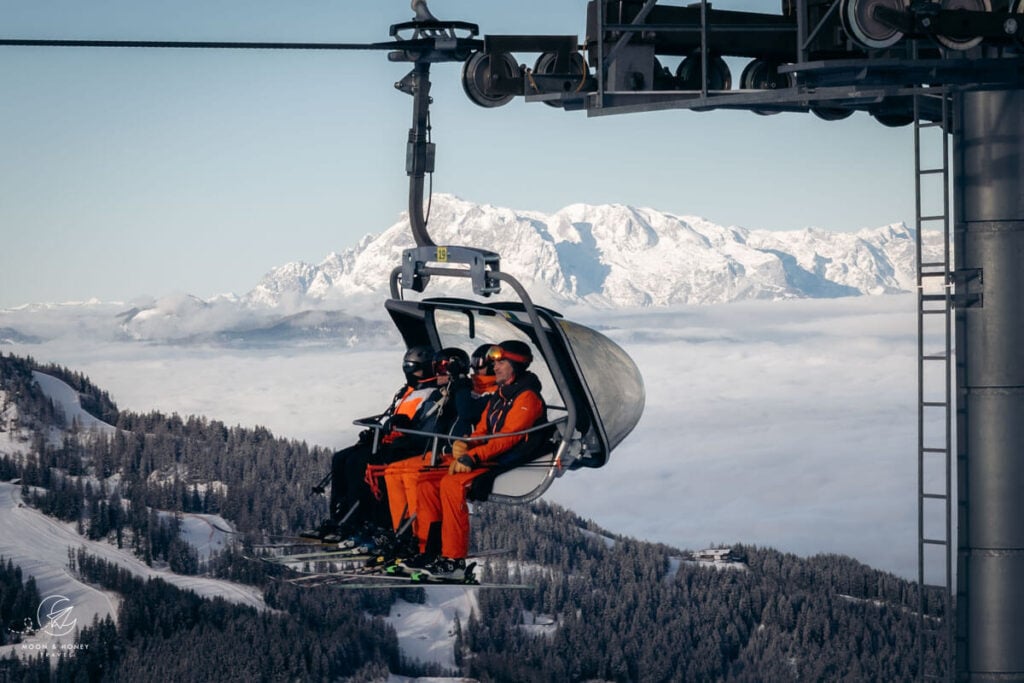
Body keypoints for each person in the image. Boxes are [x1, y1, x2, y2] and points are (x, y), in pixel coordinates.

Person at [405, 340, 547, 580]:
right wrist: (467, 443)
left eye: (501, 362)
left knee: (451, 485)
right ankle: (428, 551)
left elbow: (507, 438)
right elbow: (483, 429)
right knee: (427, 483)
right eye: (495, 362)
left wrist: (474, 456)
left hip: (507, 459)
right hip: (488, 455)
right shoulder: (502, 394)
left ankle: (454, 561)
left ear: (516, 365)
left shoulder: (527, 397)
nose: (496, 367)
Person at [302, 345, 443, 543]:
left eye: (416, 369)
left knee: (359, 463)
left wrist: (399, 430)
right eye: (409, 369)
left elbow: (423, 426)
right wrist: (378, 430)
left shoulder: (434, 394)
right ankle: (339, 517)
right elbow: (394, 417)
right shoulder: (409, 392)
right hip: (392, 438)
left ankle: (356, 521)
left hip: (408, 444)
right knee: (341, 458)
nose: (413, 374)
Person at [383, 345, 497, 559]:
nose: (474, 371)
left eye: (479, 367)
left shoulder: (489, 393)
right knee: (392, 472)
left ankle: (420, 542)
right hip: (445, 449)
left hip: (462, 454)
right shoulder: (461, 389)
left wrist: (460, 383)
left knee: (416, 477)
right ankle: (404, 534)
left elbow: (466, 411)